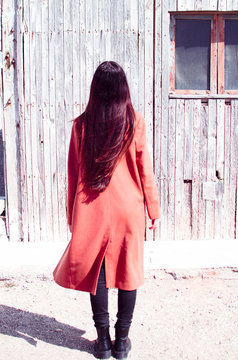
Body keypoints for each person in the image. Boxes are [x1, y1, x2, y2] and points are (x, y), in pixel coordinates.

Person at [53, 61, 160, 359]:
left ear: (95, 89)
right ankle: (121, 342)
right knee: (128, 271)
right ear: (123, 89)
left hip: (91, 207)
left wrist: (71, 215)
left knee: (96, 271)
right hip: (129, 208)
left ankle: (102, 342)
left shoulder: (81, 124)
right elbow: (145, 170)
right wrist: (153, 210)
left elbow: (73, 173)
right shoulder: (134, 122)